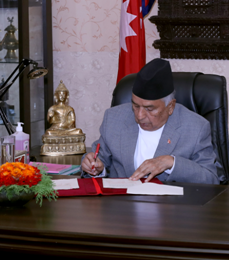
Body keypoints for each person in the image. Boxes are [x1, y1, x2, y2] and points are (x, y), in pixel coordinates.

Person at [81, 58, 221, 184]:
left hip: (170, 204)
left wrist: (172, 163)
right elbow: (99, 159)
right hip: (121, 202)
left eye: (149, 109)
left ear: (170, 107)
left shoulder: (196, 127)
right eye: (136, 106)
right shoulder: (114, 118)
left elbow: (211, 179)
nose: (140, 115)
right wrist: (95, 167)